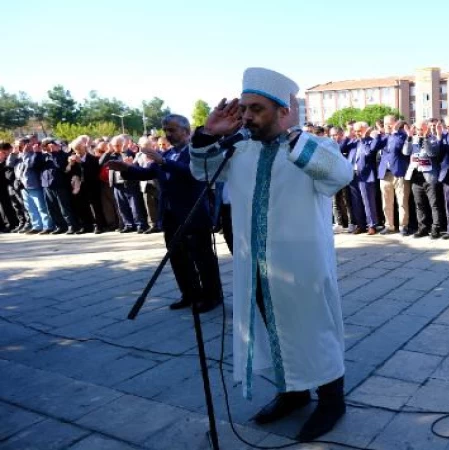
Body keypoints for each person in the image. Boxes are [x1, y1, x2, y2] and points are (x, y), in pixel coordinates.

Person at [189, 67, 352, 442]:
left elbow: (340, 175)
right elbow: (201, 171)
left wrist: (295, 137)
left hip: (302, 268)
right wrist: (207, 135)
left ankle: (331, 401)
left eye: (256, 109)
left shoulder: (310, 146)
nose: (246, 116)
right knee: (273, 330)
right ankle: (292, 392)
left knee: (314, 331)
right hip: (256, 267)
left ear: (284, 111)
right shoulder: (238, 149)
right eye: (243, 108)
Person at [109, 115, 223, 313]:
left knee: (202, 259)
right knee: (178, 258)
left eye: (172, 130)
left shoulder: (194, 152)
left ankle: (212, 297)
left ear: (186, 131)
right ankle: (189, 294)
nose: (167, 135)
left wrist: (163, 161)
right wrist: (126, 169)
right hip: (170, 216)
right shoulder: (168, 153)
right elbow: (147, 173)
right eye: (165, 130)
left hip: (193, 215)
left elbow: (192, 173)